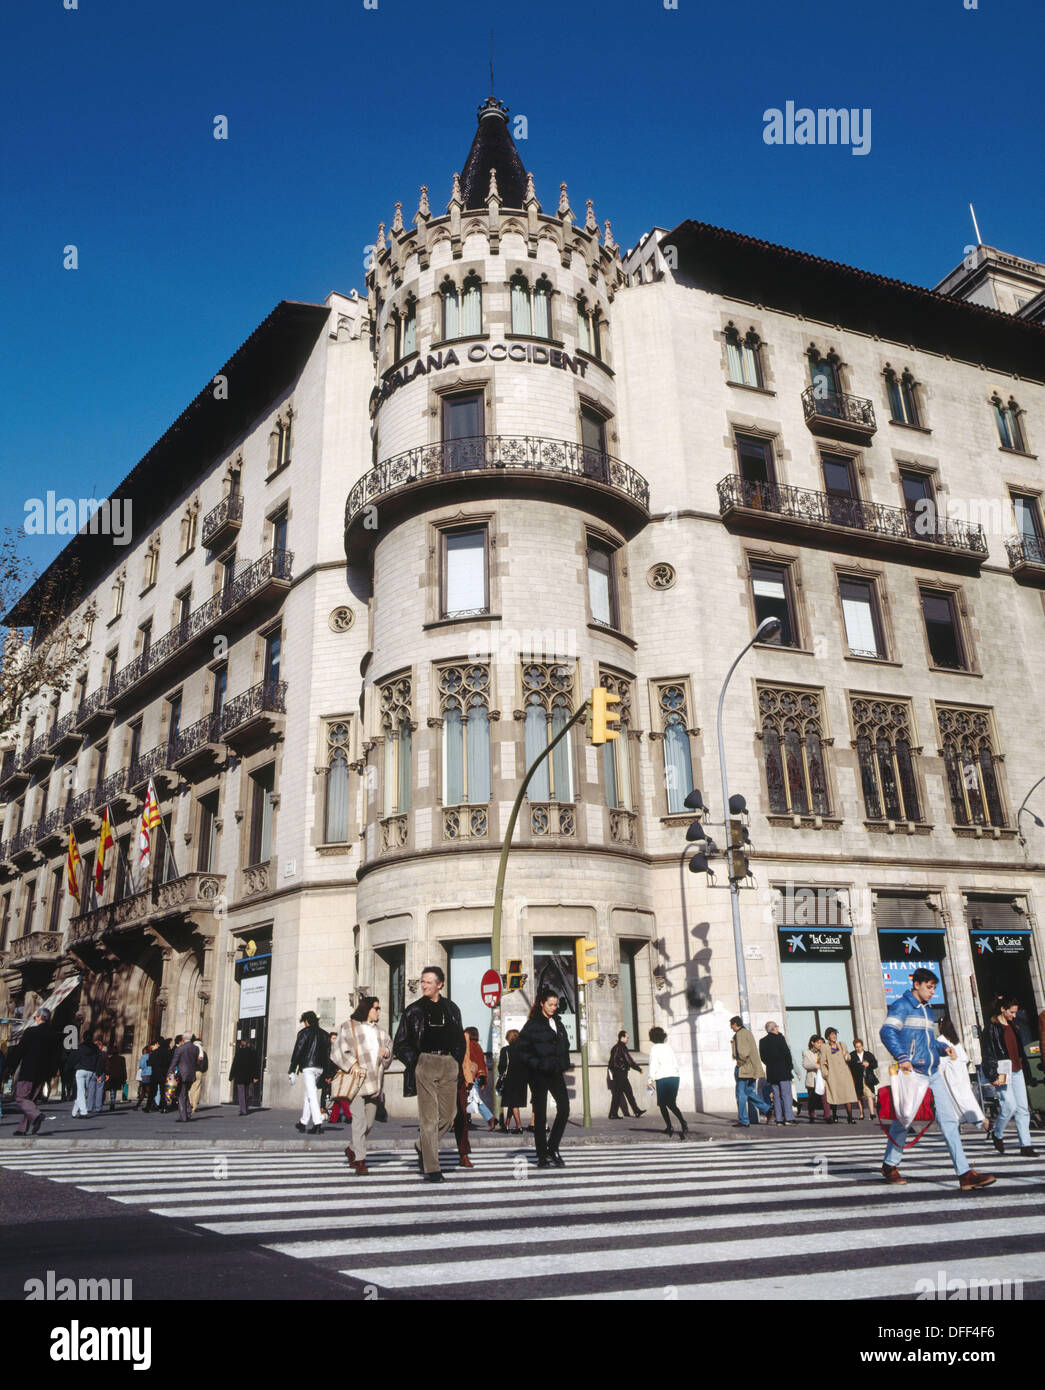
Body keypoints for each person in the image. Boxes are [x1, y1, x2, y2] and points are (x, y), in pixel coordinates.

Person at [879, 967, 996, 1190]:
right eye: (929, 987)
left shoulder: (927, 1011)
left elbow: (928, 1041)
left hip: (932, 1072)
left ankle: (964, 1174)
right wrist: (902, 1056)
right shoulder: (902, 1006)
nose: (933, 992)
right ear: (917, 985)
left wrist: (943, 1047)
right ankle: (890, 1165)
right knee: (904, 1119)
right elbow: (887, 1032)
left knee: (949, 1120)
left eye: (934, 987)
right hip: (912, 1071)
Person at [392, 966, 467, 1184]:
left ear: (440, 984)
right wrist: (416, 1062)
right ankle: (432, 1168)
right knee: (429, 1117)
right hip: (425, 1062)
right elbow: (400, 1043)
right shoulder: (413, 1010)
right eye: (422, 981)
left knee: (448, 1115)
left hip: (448, 1063)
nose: (424, 985)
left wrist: (456, 1060)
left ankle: (421, 1145)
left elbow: (460, 1039)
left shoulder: (452, 1008)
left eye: (428, 982)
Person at [332, 996, 392, 1175]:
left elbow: (389, 1049)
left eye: (379, 1008)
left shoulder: (381, 1032)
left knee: (369, 1123)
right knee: (358, 1121)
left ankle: (352, 1149)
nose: (378, 1011)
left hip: (374, 1083)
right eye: (376, 1008)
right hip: (356, 1082)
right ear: (367, 1009)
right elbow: (337, 1050)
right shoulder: (348, 1027)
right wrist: (353, 1064)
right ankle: (360, 1160)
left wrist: (387, 1052)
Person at [517, 987, 573, 1167]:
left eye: (556, 1004)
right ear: (542, 1004)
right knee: (540, 1115)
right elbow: (521, 1050)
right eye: (550, 1004)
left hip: (555, 1072)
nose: (554, 1007)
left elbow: (565, 1044)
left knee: (564, 1108)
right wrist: (537, 1064)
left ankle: (553, 1147)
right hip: (538, 1074)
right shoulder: (533, 1024)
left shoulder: (558, 1022)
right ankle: (542, 1155)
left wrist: (563, 1061)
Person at [981, 995, 1038, 1158]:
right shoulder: (991, 1029)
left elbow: (1020, 1052)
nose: (1014, 1015)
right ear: (1002, 1009)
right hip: (1002, 1072)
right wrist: (992, 1076)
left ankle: (1025, 1145)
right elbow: (988, 1054)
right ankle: (997, 1133)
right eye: (1012, 1012)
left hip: (1018, 1070)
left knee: (1022, 1108)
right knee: (1009, 1106)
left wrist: (1027, 1072)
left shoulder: (1015, 1026)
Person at [938, 1016, 988, 1134]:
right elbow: (965, 1058)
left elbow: (941, 1062)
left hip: (950, 1075)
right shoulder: (955, 1041)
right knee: (965, 1099)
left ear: (940, 1027)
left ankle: (981, 1121)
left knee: (957, 1101)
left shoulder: (941, 1040)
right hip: (961, 1074)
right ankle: (976, 1121)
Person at [13, 1007, 54, 1135]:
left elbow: (20, 1050)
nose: (34, 1018)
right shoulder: (52, 1034)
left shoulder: (31, 1032)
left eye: (35, 1016)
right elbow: (54, 1055)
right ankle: (23, 1128)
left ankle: (37, 1115)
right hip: (42, 1073)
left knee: (21, 1098)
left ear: (40, 1017)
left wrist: (11, 1066)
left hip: (28, 1070)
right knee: (30, 1101)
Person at [289, 1011, 331, 1135]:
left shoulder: (304, 1033)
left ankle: (317, 1123)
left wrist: (292, 1068)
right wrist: (327, 1073)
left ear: (307, 1021)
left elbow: (298, 1051)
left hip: (308, 1066)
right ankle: (303, 1122)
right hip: (320, 1068)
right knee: (309, 1094)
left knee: (311, 1095)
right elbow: (328, 1055)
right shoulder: (325, 1035)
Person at [730, 1016, 772, 1127]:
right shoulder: (747, 1033)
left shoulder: (740, 1034)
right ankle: (767, 1109)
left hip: (744, 1069)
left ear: (735, 1024)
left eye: (731, 1025)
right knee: (748, 1093)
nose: (731, 1028)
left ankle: (743, 1120)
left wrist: (735, 1052)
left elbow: (743, 1053)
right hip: (753, 1069)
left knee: (741, 1095)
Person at [648, 1025, 688, 1137]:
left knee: (662, 1104)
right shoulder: (669, 1047)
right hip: (674, 1077)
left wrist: (650, 1080)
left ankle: (669, 1126)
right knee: (671, 1103)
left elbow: (653, 1065)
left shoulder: (654, 1049)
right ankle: (683, 1122)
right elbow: (675, 1063)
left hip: (662, 1078)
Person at [759, 1021, 797, 1124]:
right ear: (774, 1028)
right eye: (777, 1026)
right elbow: (787, 1053)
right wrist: (790, 1067)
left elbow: (763, 1058)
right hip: (783, 1070)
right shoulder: (780, 1038)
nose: (778, 1028)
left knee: (776, 1096)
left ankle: (779, 1119)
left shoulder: (762, 1041)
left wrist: (770, 1064)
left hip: (771, 1071)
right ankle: (789, 1118)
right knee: (786, 1095)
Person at [820, 1028, 859, 1123]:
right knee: (834, 1095)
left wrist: (845, 1055)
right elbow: (822, 1062)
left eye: (835, 1034)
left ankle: (850, 1117)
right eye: (832, 1034)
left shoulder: (842, 1044)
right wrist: (826, 1074)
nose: (834, 1036)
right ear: (828, 1036)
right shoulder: (824, 1047)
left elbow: (849, 1057)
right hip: (833, 1075)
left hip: (845, 1074)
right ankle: (834, 1115)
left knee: (847, 1095)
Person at [608, 1030, 645, 1119]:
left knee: (627, 1092)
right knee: (619, 1094)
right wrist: (638, 1068)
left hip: (619, 1073)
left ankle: (636, 1111)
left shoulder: (616, 1047)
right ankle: (613, 1114)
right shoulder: (621, 1047)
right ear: (622, 1037)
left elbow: (611, 1062)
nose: (628, 1039)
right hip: (621, 1073)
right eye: (627, 1037)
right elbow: (629, 1060)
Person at [464, 1026, 496, 1130]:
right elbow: (483, 1064)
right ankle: (465, 1121)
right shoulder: (477, 1046)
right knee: (469, 1100)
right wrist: (484, 1079)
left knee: (475, 1101)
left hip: (471, 1077)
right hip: (478, 1076)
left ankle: (491, 1118)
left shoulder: (469, 1046)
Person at [496, 1028, 526, 1133]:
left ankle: (519, 1127)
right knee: (512, 1102)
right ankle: (506, 1125)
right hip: (522, 1080)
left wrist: (500, 1072)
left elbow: (501, 1066)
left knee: (513, 1103)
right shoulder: (523, 1050)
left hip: (510, 1080)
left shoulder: (505, 1050)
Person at [170, 1032, 199, 1123]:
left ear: (183, 1038)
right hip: (191, 1074)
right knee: (185, 1092)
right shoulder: (196, 1048)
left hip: (182, 1074)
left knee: (181, 1095)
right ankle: (188, 1112)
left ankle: (183, 1116)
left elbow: (174, 1062)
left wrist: (169, 1073)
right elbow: (196, 1061)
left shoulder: (180, 1049)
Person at [848, 1038, 879, 1121]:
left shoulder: (868, 1054)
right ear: (854, 1047)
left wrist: (868, 1064)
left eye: (860, 1046)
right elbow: (849, 1066)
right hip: (857, 1079)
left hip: (867, 1078)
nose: (858, 1048)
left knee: (869, 1095)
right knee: (859, 1097)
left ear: (862, 1046)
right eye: (856, 1047)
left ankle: (872, 1113)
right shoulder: (852, 1055)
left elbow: (875, 1064)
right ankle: (862, 1113)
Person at [802, 1035, 830, 1122]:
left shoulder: (824, 1052)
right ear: (812, 1043)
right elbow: (805, 1065)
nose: (820, 1044)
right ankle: (811, 1115)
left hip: (822, 1078)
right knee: (812, 1098)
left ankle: (827, 1116)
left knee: (825, 1097)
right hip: (812, 1077)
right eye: (818, 1043)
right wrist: (815, 1066)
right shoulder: (806, 1052)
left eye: (822, 1042)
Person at [229, 1039, 260, 1116]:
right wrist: (256, 1076)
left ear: (241, 1045)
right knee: (246, 1092)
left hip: (240, 1076)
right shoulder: (252, 1052)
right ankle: (246, 1107)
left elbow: (234, 1064)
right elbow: (256, 1065)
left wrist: (231, 1076)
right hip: (248, 1076)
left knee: (241, 1093)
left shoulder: (239, 1052)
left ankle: (243, 1110)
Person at [148, 1038, 172, 1113]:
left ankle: (148, 1107)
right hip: (163, 1073)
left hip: (155, 1073)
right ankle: (164, 1107)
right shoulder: (167, 1052)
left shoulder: (155, 1052)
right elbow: (169, 1063)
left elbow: (149, 1063)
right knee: (162, 1091)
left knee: (152, 1091)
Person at [187, 1035, 207, 1114]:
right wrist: (202, 1070)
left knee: (189, 1088)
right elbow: (205, 1063)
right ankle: (194, 1106)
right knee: (196, 1089)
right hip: (198, 1071)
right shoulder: (202, 1051)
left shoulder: (190, 1049)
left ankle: (189, 1103)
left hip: (190, 1070)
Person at [88, 1045, 107, 1114]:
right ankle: (98, 1107)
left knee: (91, 1090)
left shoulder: (91, 1054)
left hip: (92, 1073)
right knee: (99, 1090)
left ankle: (89, 1107)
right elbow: (104, 1064)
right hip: (100, 1073)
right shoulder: (103, 1054)